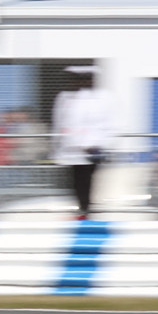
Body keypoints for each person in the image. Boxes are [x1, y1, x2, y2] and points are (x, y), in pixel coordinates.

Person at [52, 66, 116, 220]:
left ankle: (86, 211)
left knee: (87, 182)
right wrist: (56, 147)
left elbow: (108, 123)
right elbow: (59, 123)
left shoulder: (103, 97)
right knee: (74, 182)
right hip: (71, 150)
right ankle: (82, 210)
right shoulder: (64, 97)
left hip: (92, 150)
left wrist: (99, 144)